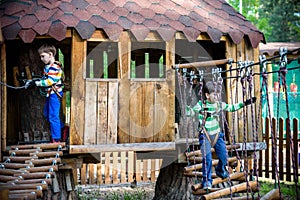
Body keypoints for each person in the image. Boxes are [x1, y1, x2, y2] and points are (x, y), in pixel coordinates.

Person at [186, 81, 256, 189]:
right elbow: (189, 113)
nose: (217, 96)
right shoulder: (201, 105)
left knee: (224, 156)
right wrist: (188, 104)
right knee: (207, 159)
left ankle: (220, 170)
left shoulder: (219, 105)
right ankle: (207, 181)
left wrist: (245, 103)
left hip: (217, 135)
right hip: (205, 135)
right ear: (207, 95)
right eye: (214, 94)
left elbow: (231, 108)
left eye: (218, 94)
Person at [27, 44, 64, 143]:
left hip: (55, 95)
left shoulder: (55, 67)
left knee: (53, 116)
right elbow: (45, 79)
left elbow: (50, 81)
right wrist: (34, 82)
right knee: (47, 114)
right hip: (50, 94)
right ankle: (62, 128)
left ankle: (57, 140)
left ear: (50, 54)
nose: (41, 58)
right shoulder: (47, 67)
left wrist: (37, 83)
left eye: (43, 56)